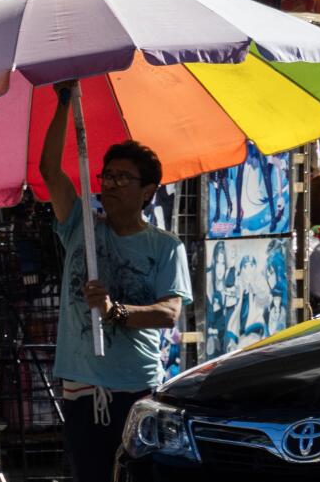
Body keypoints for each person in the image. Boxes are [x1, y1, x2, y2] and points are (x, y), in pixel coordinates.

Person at [39, 82, 192, 482]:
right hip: (82, 385)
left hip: (136, 385)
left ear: (148, 191)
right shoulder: (80, 227)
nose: (110, 183)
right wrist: (62, 103)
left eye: (124, 178)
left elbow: (168, 313)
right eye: (107, 175)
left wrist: (115, 312)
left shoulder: (165, 247)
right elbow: (49, 170)